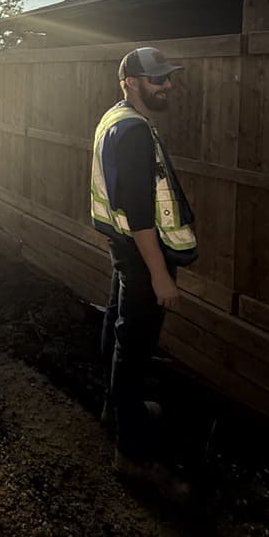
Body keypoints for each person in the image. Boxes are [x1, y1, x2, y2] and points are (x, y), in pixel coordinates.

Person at [91, 46, 198, 498]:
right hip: (140, 251)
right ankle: (132, 455)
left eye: (169, 78)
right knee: (134, 349)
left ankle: (116, 411)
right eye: (158, 80)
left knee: (118, 332)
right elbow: (139, 214)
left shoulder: (115, 117)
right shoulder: (132, 131)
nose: (167, 86)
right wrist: (160, 276)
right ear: (131, 82)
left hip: (123, 247)